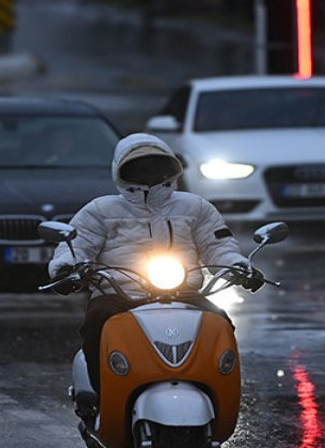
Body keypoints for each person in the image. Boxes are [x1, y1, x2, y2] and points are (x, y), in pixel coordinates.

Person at [48, 133, 263, 408]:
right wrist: (67, 268)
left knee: (219, 322)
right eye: (138, 167)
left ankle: (218, 396)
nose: (149, 174)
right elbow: (78, 244)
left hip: (183, 292)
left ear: (171, 167)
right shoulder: (100, 210)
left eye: (156, 165)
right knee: (97, 322)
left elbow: (218, 244)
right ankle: (106, 397)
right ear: (120, 170)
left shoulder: (195, 206)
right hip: (118, 293)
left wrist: (238, 266)